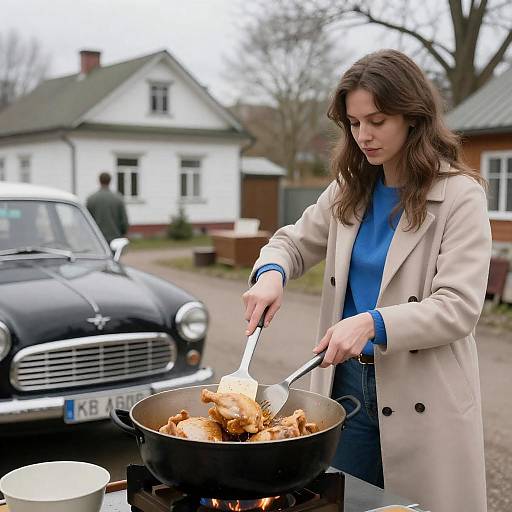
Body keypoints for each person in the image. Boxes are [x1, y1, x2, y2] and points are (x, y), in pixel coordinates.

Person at [242, 49, 491, 512]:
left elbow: (458, 306)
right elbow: (291, 242)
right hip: (347, 387)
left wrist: (371, 323)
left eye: (376, 120)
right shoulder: (348, 188)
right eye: (354, 124)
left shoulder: (461, 195)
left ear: (413, 117)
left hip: (425, 391)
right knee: (346, 502)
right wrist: (272, 273)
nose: (363, 136)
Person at [86, 172, 129, 243]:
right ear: (110, 181)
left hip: (97, 239)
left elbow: (87, 220)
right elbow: (124, 221)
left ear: (99, 181)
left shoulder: (91, 199)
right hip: (115, 238)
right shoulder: (118, 198)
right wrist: (123, 233)